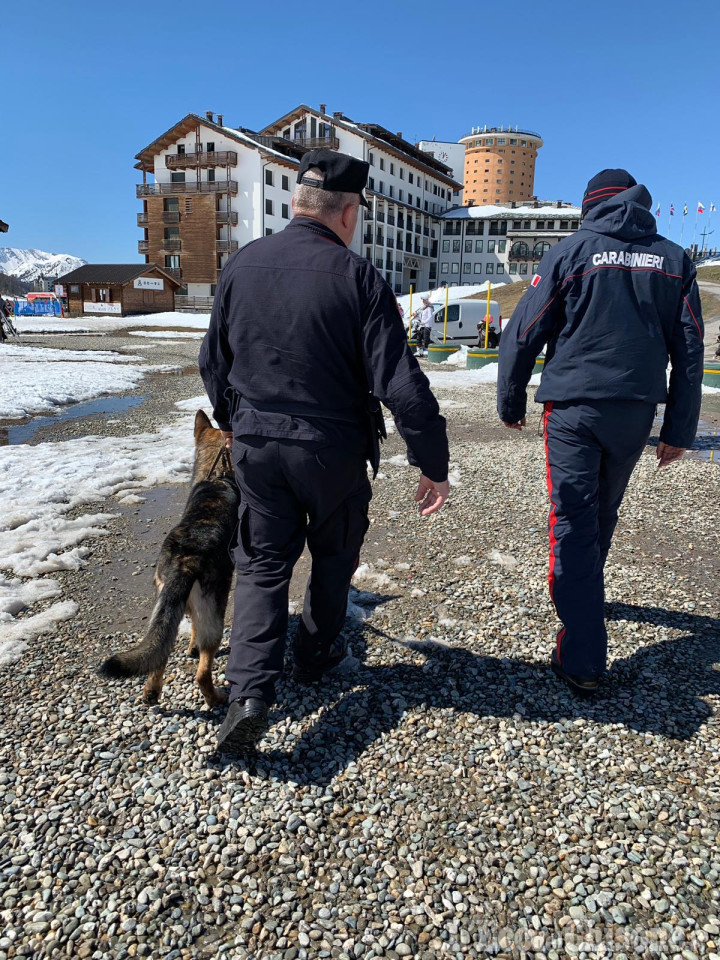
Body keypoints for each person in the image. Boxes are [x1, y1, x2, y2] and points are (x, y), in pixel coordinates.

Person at [199, 149, 450, 750]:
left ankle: (250, 693)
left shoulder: (242, 265)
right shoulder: (358, 276)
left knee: (261, 563)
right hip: (332, 451)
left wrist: (233, 420)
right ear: (348, 212)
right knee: (333, 556)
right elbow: (402, 386)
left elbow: (213, 360)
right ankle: (312, 656)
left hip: (258, 445)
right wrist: (432, 464)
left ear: (297, 205)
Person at [497, 168, 704, 697]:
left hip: (573, 408)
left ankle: (583, 652)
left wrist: (510, 397)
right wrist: (677, 428)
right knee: (601, 510)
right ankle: (585, 592)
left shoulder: (572, 250)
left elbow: (524, 330)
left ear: (592, 205)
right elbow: (689, 350)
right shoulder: (674, 258)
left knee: (571, 515)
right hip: (635, 410)